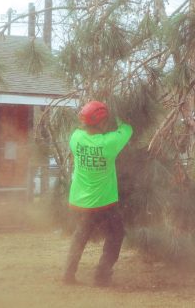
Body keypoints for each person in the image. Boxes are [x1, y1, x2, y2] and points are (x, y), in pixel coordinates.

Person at [62, 100, 133, 287]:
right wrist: (117, 112)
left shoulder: (76, 138)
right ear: (102, 123)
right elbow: (127, 129)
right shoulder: (109, 143)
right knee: (116, 234)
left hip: (80, 201)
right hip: (104, 202)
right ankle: (102, 276)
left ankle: (68, 274)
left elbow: (84, 129)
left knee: (81, 235)